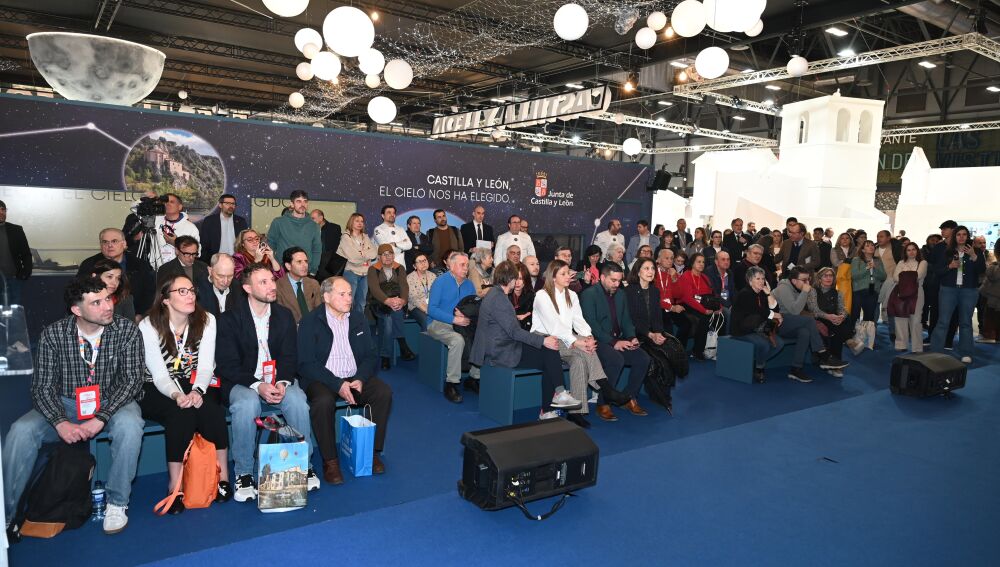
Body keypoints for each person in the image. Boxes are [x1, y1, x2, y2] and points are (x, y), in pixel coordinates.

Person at [3, 277, 144, 534]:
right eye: (97, 303)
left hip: (114, 400)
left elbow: (132, 381)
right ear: (77, 310)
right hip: (66, 404)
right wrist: (60, 422)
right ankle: (8, 516)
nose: (108, 306)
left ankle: (116, 502)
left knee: (131, 424)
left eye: (108, 299)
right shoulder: (54, 334)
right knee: (20, 431)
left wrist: (101, 416)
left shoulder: (127, 330)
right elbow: (42, 387)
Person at [215, 263, 318, 502]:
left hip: (277, 378)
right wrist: (257, 385)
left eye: (272, 280)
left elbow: (290, 356)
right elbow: (226, 364)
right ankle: (243, 472)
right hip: (242, 380)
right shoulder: (229, 319)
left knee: (297, 400)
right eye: (263, 282)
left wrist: (282, 381)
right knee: (246, 404)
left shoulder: (284, 315)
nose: (272, 286)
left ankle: (303, 462)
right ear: (247, 288)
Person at [138, 274, 231, 512]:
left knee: (211, 410)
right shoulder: (149, 325)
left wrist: (199, 391)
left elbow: (207, 366)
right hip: (156, 385)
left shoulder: (206, 319)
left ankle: (223, 477)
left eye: (191, 290)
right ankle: (175, 485)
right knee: (180, 414)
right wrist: (177, 395)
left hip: (194, 380)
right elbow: (159, 374)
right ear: (165, 300)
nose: (190, 295)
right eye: (182, 291)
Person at [297, 277, 393, 483]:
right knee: (322, 402)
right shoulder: (310, 322)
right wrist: (337, 383)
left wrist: (360, 378)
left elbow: (370, 354)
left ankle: (372, 452)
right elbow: (306, 363)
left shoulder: (358, 318)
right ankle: (330, 460)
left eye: (350, 294)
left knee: (383, 392)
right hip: (323, 378)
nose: (349, 298)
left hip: (353, 376)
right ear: (326, 297)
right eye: (343, 294)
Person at [471, 261, 583, 420]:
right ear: (510, 280)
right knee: (548, 349)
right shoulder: (499, 299)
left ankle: (552, 403)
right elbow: (514, 332)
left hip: (504, 344)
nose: (517, 282)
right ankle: (556, 397)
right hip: (501, 351)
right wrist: (542, 341)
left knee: (549, 355)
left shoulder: (496, 294)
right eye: (515, 278)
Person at [532, 260, 628, 428]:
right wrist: (577, 342)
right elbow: (554, 326)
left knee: (580, 360)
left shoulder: (572, 295)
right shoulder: (542, 295)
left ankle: (576, 412)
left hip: (566, 337)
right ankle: (606, 388)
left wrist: (588, 337)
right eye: (562, 273)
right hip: (546, 340)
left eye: (568, 272)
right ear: (553, 277)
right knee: (584, 350)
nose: (568, 276)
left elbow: (579, 321)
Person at [579, 263, 651, 422]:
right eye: (613, 280)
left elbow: (626, 320)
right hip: (596, 341)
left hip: (617, 339)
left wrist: (631, 337)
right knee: (615, 359)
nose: (616, 284)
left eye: (619, 281)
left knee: (643, 359)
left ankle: (628, 398)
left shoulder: (620, 294)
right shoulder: (589, 294)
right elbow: (591, 325)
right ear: (602, 277)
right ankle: (603, 403)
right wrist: (613, 342)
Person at [772, 267, 850, 381]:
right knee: (809, 321)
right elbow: (795, 311)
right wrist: (805, 291)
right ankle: (824, 355)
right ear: (794, 281)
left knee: (805, 332)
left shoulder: (797, 288)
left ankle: (795, 369)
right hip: (777, 323)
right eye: (804, 280)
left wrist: (840, 316)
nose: (807, 283)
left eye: (808, 279)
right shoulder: (784, 288)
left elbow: (798, 312)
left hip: (790, 321)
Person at [626, 258, 678, 414]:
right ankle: (632, 397)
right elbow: (632, 320)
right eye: (646, 268)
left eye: (652, 269)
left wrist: (658, 333)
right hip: (635, 333)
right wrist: (650, 334)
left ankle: (663, 397)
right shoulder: (629, 291)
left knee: (669, 352)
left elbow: (657, 317)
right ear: (638, 271)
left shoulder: (655, 291)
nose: (650, 272)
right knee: (653, 358)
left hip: (651, 333)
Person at [427, 252, 478, 403]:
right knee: (457, 340)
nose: (466, 268)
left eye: (467, 265)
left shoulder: (469, 284)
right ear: (452, 266)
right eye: (462, 265)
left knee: (479, 337)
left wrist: (467, 316)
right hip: (438, 323)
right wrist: (454, 319)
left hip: (461, 323)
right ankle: (452, 383)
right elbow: (432, 310)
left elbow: (474, 307)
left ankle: (474, 379)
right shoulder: (440, 282)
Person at [930, 225, 985, 363]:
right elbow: (937, 271)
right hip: (948, 289)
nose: (961, 237)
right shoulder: (947, 251)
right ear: (955, 236)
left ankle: (966, 352)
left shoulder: (976, 251)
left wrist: (973, 256)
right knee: (943, 321)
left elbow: (982, 270)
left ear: (968, 236)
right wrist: (950, 266)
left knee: (965, 322)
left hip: (969, 291)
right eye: (958, 234)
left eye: (964, 234)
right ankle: (936, 351)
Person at [79, 228, 155, 314]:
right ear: (101, 245)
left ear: (124, 244)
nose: (110, 245)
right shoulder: (89, 265)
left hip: (134, 315)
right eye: (105, 242)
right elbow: (79, 294)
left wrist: (140, 315)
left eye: (114, 241)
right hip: (95, 315)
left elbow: (149, 294)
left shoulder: (140, 265)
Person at [730, 267, 785, 383]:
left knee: (779, 344)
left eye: (763, 278)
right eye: (758, 278)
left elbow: (775, 308)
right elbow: (757, 311)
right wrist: (775, 315)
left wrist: (769, 294)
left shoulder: (761, 293)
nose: (761, 281)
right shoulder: (745, 293)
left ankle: (757, 361)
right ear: (750, 281)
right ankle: (759, 368)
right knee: (764, 344)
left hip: (758, 329)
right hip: (742, 330)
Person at [368, 244, 416, 368]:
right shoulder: (373, 269)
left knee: (397, 312)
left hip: (397, 301)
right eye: (384, 254)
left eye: (390, 254)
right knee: (388, 319)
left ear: (394, 256)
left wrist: (403, 300)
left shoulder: (400, 268)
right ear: (379, 257)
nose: (388, 256)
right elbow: (374, 289)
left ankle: (386, 356)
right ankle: (400, 346)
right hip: (379, 303)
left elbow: (404, 286)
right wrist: (387, 300)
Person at [807, 267, 854, 375]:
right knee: (838, 328)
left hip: (834, 319)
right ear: (819, 278)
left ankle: (834, 363)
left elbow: (843, 309)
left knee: (843, 321)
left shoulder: (838, 293)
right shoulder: (813, 291)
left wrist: (842, 316)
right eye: (825, 276)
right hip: (818, 319)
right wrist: (828, 316)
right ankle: (848, 341)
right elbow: (813, 310)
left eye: (831, 276)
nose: (829, 278)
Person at [675, 253, 721, 360]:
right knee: (703, 319)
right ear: (692, 263)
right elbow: (688, 298)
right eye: (698, 262)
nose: (701, 264)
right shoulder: (686, 275)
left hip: (702, 303)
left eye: (703, 262)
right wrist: (704, 310)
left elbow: (712, 295)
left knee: (722, 316)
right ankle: (697, 351)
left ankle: (715, 349)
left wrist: (718, 307)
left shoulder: (705, 277)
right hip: (686, 304)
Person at [268, 190, 323, 275]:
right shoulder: (278, 222)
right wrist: (276, 266)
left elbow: (317, 250)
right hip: (282, 271)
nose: (302, 204)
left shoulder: (314, 226)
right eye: (298, 201)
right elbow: (271, 245)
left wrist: (313, 271)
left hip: (305, 271)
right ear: (292, 204)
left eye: (305, 201)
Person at [337, 212, 377, 314]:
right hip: (351, 272)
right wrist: (364, 255)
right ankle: (346, 326)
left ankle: (359, 325)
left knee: (361, 302)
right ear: (351, 222)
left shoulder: (365, 237)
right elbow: (353, 258)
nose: (360, 223)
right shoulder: (345, 237)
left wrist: (363, 254)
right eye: (357, 221)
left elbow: (374, 253)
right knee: (348, 301)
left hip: (365, 273)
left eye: (362, 221)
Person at [892, 242, 927, 352]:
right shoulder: (901, 262)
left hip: (917, 293)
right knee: (900, 318)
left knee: (916, 320)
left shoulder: (923, 262)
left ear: (917, 250)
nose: (911, 252)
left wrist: (903, 274)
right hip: (900, 292)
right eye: (909, 250)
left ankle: (917, 347)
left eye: (914, 249)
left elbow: (918, 276)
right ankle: (901, 345)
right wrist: (910, 275)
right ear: (905, 252)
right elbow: (895, 278)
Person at [149, 193, 200, 270]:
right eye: (165, 202)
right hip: (156, 269)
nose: (167, 204)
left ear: (180, 207)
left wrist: (176, 243)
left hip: (179, 270)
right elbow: (136, 209)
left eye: (172, 202)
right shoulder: (156, 221)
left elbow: (198, 252)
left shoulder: (190, 227)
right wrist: (151, 199)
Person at [275, 246, 322, 324]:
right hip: (291, 330)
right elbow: (279, 318)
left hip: (314, 328)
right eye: (299, 262)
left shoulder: (314, 284)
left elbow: (320, 311)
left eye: (306, 261)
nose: (305, 265)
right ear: (288, 266)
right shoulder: (278, 287)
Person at [198, 194, 247, 263]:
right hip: (216, 260)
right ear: (220, 205)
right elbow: (204, 243)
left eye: (233, 204)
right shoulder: (210, 221)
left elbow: (244, 242)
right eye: (227, 203)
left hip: (236, 261)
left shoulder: (241, 221)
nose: (231, 206)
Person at [0, 200, 31, 306]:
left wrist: (25, 273)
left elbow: (26, 254)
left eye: (3, 210)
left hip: (14, 280)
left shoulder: (16, 230)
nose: (1, 213)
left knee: (14, 314)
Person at [850, 240, 886, 326]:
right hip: (859, 290)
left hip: (872, 290)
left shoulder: (877, 260)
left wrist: (875, 268)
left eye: (872, 245)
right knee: (855, 314)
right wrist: (867, 268)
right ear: (862, 250)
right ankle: (853, 334)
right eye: (868, 246)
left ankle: (866, 335)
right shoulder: (856, 260)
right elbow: (854, 276)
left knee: (869, 316)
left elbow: (883, 276)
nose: (871, 247)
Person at [654, 248, 687, 338]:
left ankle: (679, 349)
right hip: (658, 307)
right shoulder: (653, 273)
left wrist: (674, 279)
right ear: (659, 259)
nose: (670, 261)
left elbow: (678, 295)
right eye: (667, 258)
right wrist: (672, 307)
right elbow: (655, 299)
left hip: (670, 306)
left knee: (687, 324)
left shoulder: (673, 273)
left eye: (672, 258)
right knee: (667, 327)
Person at [372, 204, 413, 269]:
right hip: (385, 267)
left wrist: (395, 244)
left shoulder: (400, 229)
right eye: (389, 212)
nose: (392, 215)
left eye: (393, 213)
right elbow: (386, 248)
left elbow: (409, 245)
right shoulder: (378, 229)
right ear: (383, 216)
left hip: (401, 266)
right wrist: (402, 247)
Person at [311, 209, 345, 281]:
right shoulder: (310, 230)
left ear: (321, 218)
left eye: (313, 218)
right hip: (315, 264)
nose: (311, 221)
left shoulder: (334, 228)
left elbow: (338, 246)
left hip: (329, 265)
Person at [406, 251, 436, 330]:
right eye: (419, 261)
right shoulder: (410, 278)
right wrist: (427, 310)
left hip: (432, 305)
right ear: (414, 266)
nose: (423, 263)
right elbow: (414, 299)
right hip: (416, 307)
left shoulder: (433, 276)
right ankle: (427, 341)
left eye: (424, 260)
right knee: (427, 320)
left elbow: (437, 294)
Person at [704, 250, 735, 326]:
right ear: (716, 262)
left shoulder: (730, 272)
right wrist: (729, 305)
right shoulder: (709, 272)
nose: (726, 262)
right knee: (728, 313)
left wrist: (734, 304)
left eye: (728, 259)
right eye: (723, 259)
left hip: (727, 301)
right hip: (715, 302)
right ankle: (726, 337)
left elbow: (733, 290)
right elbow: (713, 293)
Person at [978, 240, 1000, 344]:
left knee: (991, 320)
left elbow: (985, 287)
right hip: (993, 299)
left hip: (992, 300)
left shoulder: (993, 268)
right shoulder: (994, 267)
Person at [508, 262, 534, 331]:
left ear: (525, 279)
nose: (517, 282)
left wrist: (527, 317)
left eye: (520, 279)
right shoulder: (505, 294)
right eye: (515, 278)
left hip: (525, 328)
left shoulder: (530, 295)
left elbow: (534, 314)